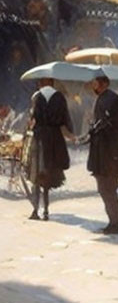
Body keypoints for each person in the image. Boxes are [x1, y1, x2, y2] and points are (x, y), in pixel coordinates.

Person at [87, 75, 118, 235]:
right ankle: (113, 221)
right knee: (105, 188)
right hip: (104, 151)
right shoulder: (104, 98)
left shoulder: (111, 99)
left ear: (103, 84)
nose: (93, 86)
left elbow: (116, 124)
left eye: (95, 83)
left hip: (110, 152)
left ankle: (115, 223)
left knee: (108, 188)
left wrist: (101, 128)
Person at [26, 78, 74, 221]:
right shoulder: (60, 97)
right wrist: (71, 134)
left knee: (36, 174)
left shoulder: (36, 97)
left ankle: (35, 210)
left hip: (40, 138)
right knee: (48, 174)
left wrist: (30, 125)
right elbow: (66, 119)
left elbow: (32, 119)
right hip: (54, 140)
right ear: (52, 83)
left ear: (41, 83)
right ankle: (46, 210)